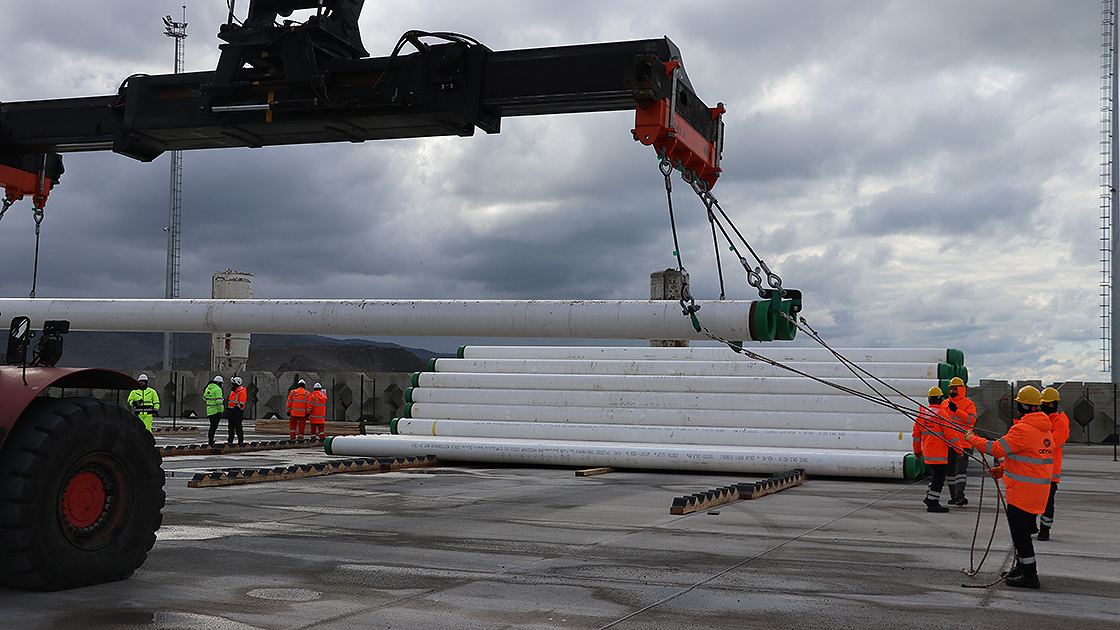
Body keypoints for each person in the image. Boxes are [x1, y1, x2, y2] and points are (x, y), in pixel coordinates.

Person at [964, 385, 1053, 589]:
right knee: (1020, 533)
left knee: (1020, 535)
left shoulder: (1022, 429)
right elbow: (1028, 461)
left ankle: (1030, 575)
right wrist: (1002, 470)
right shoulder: (1044, 430)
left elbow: (995, 448)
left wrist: (970, 438)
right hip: (1036, 493)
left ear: (1022, 406)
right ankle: (1021, 568)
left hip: (1023, 493)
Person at [912, 386, 960, 512]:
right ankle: (932, 502)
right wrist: (959, 450)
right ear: (940, 398)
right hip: (939, 455)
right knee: (939, 478)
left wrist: (917, 451)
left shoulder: (922, 415)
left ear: (929, 399)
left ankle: (930, 497)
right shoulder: (942, 414)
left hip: (928, 454)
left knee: (936, 476)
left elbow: (916, 435)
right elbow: (951, 435)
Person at [1038, 387, 1070, 541]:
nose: (1048, 406)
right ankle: (1032, 525)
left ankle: (1045, 529)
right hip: (1035, 469)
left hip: (1051, 472)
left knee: (1047, 502)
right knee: (1033, 499)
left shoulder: (1060, 422)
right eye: (1045, 404)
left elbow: (1051, 443)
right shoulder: (1038, 419)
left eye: (1051, 404)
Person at [942, 376, 977, 506]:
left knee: (960, 471)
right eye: (951, 388)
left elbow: (971, 420)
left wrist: (957, 411)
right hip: (948, 443)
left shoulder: (968, 403)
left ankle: (959, 495)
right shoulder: (945, 403)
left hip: (963, 443)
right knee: (950, 471)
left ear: (961, 389)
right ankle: (954, 496)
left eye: (955, 389)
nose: (952, 391)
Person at [203, 375, 225, 447]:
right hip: (216, 411)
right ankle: (211, 441)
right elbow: (219, 401)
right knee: (214, 426)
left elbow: (204, 398)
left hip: (209, 410)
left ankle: (210, 440)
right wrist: (221, 410)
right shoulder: (218, 389)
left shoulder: (208, 388)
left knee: (212, 426)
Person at [227, 376, 248, 446]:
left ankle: (240, 441)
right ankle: (230, 440)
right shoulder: (233, 392)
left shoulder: (241, 392)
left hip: (237, 412)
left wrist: (233, 410)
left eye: (232, 384)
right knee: (230, 428)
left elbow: (241, 404)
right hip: (232, 412)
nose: (231, 385)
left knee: (238, 427)